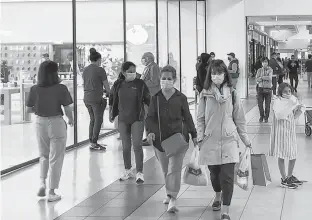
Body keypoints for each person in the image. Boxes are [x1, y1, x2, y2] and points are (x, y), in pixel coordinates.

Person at [197, 60, 251, 220]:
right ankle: (217, 195)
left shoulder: (233, 94)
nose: (216, 76)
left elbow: (239, 119)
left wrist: (245, 139)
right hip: (210, 139)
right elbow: (200, 118)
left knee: (227, 176)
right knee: (215, 175)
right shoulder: (204, 94)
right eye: (213, 73)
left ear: (225, 74)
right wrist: (200, 136)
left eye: (219, 73)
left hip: (229, 139)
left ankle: (225, 210)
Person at [146, 65, 197, 213]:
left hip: (178, 140)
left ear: (174, 80)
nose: (166, 81)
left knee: (174, 169)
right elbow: (150, 118)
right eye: (164, 78)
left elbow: (187, 117)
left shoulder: (181, 98)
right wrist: (149, 132)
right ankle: (169, 192)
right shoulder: (155, 98)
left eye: (169, 79)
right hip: (160, 141)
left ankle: (173, 198)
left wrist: (194, 135)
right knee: (165, 169)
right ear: (160, 80)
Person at [26, 61, 74, 202]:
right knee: (56, 157)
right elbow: (67, 108)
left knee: (44, 155)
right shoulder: (61, 88)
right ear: (55, 72)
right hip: (56, 122)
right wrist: (71, 119)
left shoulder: (34, 89)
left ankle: (42, 182)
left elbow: (28, 110)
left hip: (40, 122)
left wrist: (41, 110)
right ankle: (52, 192)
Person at [109, 61, 150, 184]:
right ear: (123, 72)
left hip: (137, 118)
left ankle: (139, 172)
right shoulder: (118, 85)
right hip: (123, 118)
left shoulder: (140, 84)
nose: (133, 73)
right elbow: (112, 99)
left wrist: (150, 114)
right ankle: (127, 170)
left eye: (134, 71)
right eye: (130, 71)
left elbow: (148, 99)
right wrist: (111, 113)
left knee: (137, 145)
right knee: (126, 147)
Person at [269, 83, 304, 189]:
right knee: (282, 154)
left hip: (290, 131)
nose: (288, 93)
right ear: (280, 92)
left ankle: (289, 176)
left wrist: (299, 108)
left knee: (293, 154)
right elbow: (280, 115)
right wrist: (290, 104)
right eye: (285, 92)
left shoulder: (292, 100)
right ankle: (284, 179)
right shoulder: (277, 101)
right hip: (281, 132)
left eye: (289, 91)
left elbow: (293, 115)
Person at [83, 48, 111, 151]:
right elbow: (107, 87)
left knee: (92, 120)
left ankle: (92, 141)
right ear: (99, 59)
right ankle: (94, 143)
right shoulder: (100, 70)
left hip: (86, 98)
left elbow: (89, 84)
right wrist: (109, 93)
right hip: (96, 99)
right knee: (98, 120)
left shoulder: (85, 70)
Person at [140, 52, 161, 146]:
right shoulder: (148, 67)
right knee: (147, 117)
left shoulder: (154, 67)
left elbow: (154, 81)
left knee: (150, 117)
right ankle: (148, 136)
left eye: (143, 58)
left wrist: (142, 83)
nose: (142, 60)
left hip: (152, 96)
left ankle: (151, 138)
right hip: (147, 96)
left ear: (148, 58)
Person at [256, 57, 273, 123]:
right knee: (260, 104)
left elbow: (269, 78)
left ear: (268, 62)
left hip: (268, 89)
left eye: (266, 62)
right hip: (260, 89)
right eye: (263, 62)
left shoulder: (270, 70)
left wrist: (262, 77)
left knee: (267, 105)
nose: (264, 63)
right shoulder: (259, 70)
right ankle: (261, 116)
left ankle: (266, 117)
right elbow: (257, 79)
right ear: (261, 63)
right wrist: (264, 78)